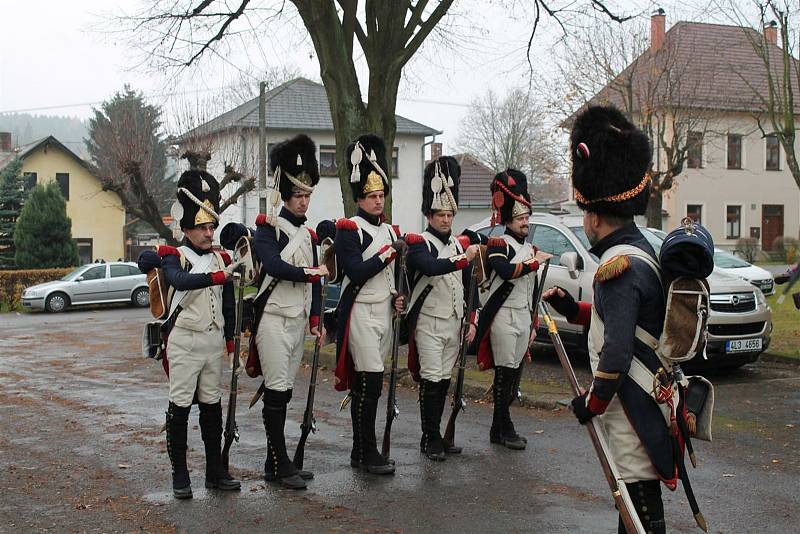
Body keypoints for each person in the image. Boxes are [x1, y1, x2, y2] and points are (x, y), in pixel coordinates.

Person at [543, 105, 673, 533]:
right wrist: (571, 308)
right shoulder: (638, 250)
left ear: (595, 216)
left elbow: (616, 350)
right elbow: (617, 319)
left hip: (630, 403)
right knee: (633, 505)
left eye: (584, 216)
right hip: (645, 394)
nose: (584, 223)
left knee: (637, 508)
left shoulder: (618, 265)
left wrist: (592, 402)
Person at [158, 169, 241, 499]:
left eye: (211, 227)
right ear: (187, 228)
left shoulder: (222, 257)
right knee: (179, 408)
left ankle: (214, 471)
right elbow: (180, 281)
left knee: (212, 408)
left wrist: (232, 343)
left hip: (212, 341)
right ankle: (180, 473)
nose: (209, 233)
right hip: (185, 341)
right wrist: (219, 277)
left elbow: (230, 306)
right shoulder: (173, 256)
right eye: (202, 227)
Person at [250, 134, 326, 489]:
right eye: (299, 195)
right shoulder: (267, 229)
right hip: (274, 321)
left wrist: (315, 320)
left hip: (297, 322)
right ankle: (282, 465)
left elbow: (316, 283)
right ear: (285, 194)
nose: (304, 202)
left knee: (285, 392)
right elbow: (274, 266)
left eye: (308, 195)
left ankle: (274, 461)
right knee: (277, 393)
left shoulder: (309, 236)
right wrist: (309, 273)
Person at [333, 134, 403, 475]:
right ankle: (366, 449)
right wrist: (388, 252)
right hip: (361, 311)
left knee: (369, 384)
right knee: (370, 380)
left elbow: (393, 276)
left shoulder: (390, 230)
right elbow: (356, 270)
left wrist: (399, 295)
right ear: (360, 197)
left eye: (381, 195)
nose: (378, 201)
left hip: (384, 312)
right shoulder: (349, 228)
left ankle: (361, 451)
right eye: (373, 196)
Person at [404, 155, 480, 460]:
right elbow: (431, 268)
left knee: (444, 379)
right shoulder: (419, 243)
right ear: (428, 214)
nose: (445, 219)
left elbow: (469, 285)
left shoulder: (459, 245)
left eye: (449, 214)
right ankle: (430, 438)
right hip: (429, 322)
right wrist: (464, 259)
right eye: (439, 214)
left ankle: (437, 436)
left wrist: (471, 318)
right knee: (432, 379)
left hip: (453, 321)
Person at [471, 169, 549, 450]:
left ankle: (499, 426)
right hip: (503, 315)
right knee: (504, 374)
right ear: (509, 220)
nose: (525, 222)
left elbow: (532, 290)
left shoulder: (530, 249)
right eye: (520, 218)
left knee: (514, 373)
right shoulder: (497, 244)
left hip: (523, 316)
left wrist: (534, 318)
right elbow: (504, 271)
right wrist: (533, 264)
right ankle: (503, 426)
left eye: (527, 217)